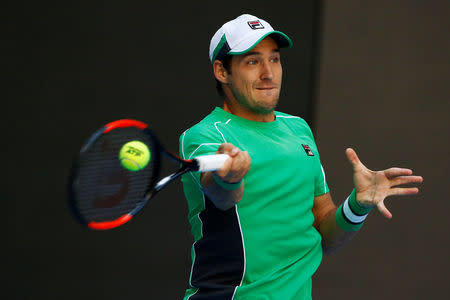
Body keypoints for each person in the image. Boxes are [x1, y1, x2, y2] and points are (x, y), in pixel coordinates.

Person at [178, 14, 423, 300]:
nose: (268, 73)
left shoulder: (299, 130)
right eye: (253, 61)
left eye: (274, 59)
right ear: (222, 71)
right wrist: (230, 178)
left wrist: (357, 205)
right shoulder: (205, 135)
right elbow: (219, 194)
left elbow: (323, 232)